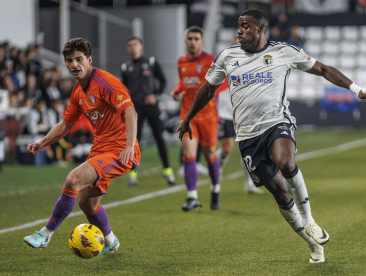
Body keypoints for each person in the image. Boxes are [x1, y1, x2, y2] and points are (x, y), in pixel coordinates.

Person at [178, 9, 366, 263]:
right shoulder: (227, 57)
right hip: (248, 138)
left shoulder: (284, 52)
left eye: (246, 26)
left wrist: (356, 89)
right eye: (239, 26)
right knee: (281, 195)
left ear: (261, 29)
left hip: (277, 123)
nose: (239, 30)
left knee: (286, 163)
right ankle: (312, 245)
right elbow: (207, 90)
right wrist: (187, 118)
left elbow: (324, 69)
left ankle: (310, 220)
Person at [23, 38, 140, 255]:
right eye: (69, 60)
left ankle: (45, 234)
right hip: (100, 149)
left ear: (89, 60)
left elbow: (130, 112)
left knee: (73, 179)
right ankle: (111, 241)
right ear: (65, 64)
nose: (74, 64)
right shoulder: (78, 92)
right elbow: (66, 125)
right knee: (87, 204)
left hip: (120, 150)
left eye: (79, 59)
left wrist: (130, 146)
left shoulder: (106, 82)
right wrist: (41, 143)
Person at [171, 26, 226, 211]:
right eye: (190, 38)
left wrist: (209, 92)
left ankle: (215, 188)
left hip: (209, 116)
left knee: (210, 154)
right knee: (188, 155)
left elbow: (224, 83)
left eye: (196, 39)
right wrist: (177, 90)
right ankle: (192, 197)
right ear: (186, 42)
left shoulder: (211, 61)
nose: (193, 42)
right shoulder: (181, 62)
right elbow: (183, 81)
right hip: (187, 115)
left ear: (201, 42)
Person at [121, 36, 175, 186]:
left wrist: (155, 95)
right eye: (129, 45)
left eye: (135, 45)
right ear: (127, 48)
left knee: (159, 137)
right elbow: (124, 89)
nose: (132, 47)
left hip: (151, 106)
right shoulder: (126, 67)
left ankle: (168, 171)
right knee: (134, 140)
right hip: (135, 109)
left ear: (141, 46)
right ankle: (132, 174)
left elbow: (163, 80)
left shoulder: (150, 62)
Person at [216, 36, 263, 194]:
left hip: (244, 112)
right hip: (226, 112)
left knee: (248, 150)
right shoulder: (224, 60)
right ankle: (217, 168)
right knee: (227, 149)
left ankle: (249, 183)